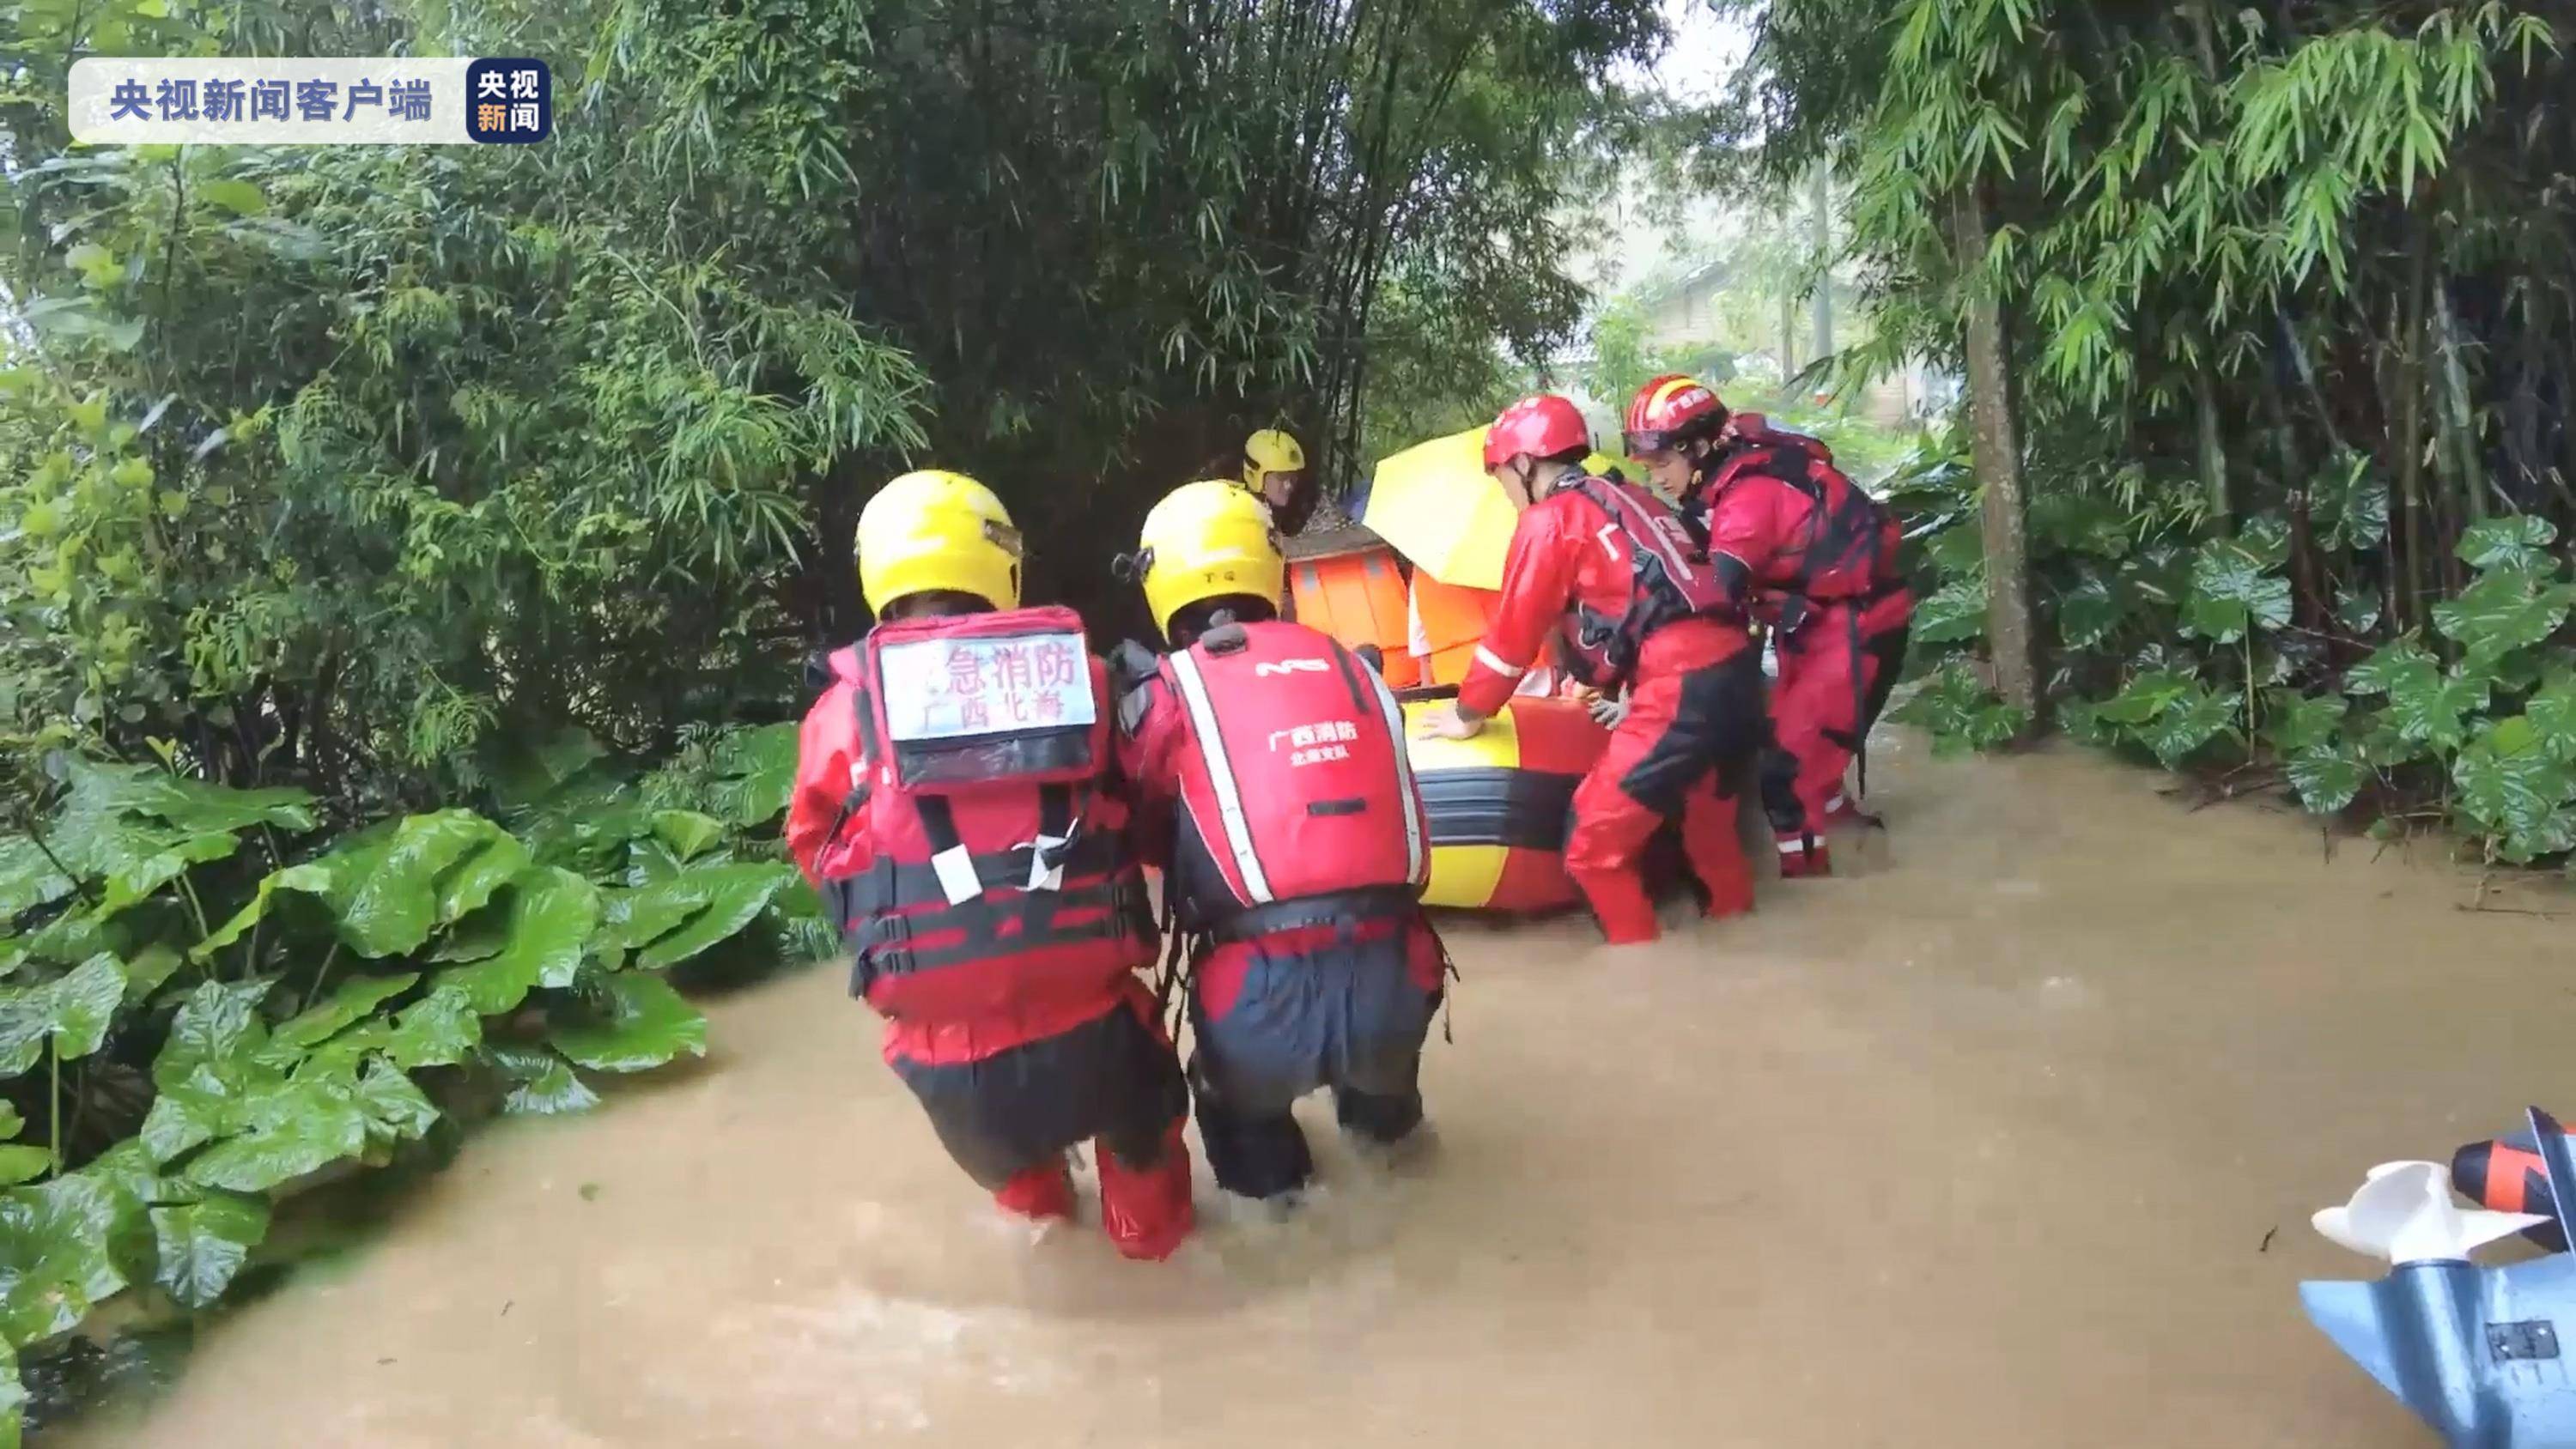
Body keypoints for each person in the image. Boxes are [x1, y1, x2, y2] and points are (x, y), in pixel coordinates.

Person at [785, 470, 1194, 1261]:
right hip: (1100, 1034)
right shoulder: (1090, 680)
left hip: (948, 1066)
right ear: (999, 563)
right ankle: (1156, 1258)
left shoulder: (838, 714)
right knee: (1147, 1168)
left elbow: (820, 854)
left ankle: (1043, 1237)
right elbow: (1144, 814)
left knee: (1033, 1217)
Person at [1113, 479, 1443, 1203]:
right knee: (1399, 1159)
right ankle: (1396, 1151)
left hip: (1257, 997)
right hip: (1399, 974)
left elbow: (1139, 831)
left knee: (1254, 1152)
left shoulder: (1168, 692)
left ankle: (1280, 1228)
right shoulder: (1356, 666)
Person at [1412, 394, 1764, 946]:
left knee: (1591, 850)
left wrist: (1468, 713)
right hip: (1739, 673)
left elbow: (1511, 637)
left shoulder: (1550, 520)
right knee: (1709, 828)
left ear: (1525, 464)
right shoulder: (1633, 496)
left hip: (1681, 685)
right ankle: (1740, 933)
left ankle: (1640, 976)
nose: (1504, 492)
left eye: (1501, 475)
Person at [1623, 374, 1915, 877]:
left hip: (1857, 624)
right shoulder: (1731, 465)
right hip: (1815, 617)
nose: (1658, 480)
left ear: (1699, 446)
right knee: (1791, 742)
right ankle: (1858, 844)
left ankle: (1812, 900)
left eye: (1663, 464)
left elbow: (1710, 600)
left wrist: (1632, 670)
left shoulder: (1749, 501)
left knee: (1787, 773)